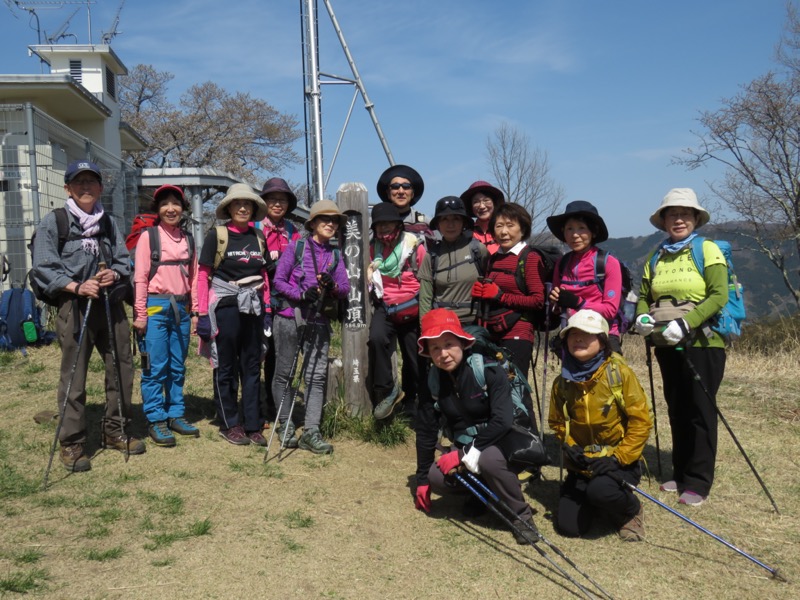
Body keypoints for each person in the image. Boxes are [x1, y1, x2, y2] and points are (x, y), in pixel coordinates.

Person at [31, 159, 145, 472]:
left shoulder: (107, 222)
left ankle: (115, 431)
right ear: (68, 187)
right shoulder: (54, 221)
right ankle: (72, 442)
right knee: (74, 376)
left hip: (111, 304)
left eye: (91, 182)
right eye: (78, 182)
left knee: (122, 368)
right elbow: (43, 265)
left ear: (100, 187)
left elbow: (123, 260)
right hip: (75, 305)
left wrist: (115, 275)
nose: (85, 187)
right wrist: (76, 287)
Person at [633, 188, 728, 506]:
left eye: (685, 214)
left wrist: (687, 323)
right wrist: (642, 316)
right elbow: (645, 293)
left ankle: (699, 481)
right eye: (672, 214)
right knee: (677, 406)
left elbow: (719, 295)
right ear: (663, 221)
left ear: (695, 218)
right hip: (665, 341)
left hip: (703, 342)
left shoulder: (708, 250)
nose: (679, 219)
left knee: (700, 410)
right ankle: (680, 470)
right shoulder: (656, 255)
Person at [414, 308, 538, 543]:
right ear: (428, 353)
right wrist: (421, 480)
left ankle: (521, 516)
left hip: (504, 442)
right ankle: (483, 492)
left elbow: (503, 420)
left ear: (462, 342)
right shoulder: (432, 381)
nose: (444, 354)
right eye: (435, 348)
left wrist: (462, 454)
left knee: (488, 459)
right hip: (468, 446)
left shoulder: (488, 370)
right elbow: (426, 430)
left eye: (449, 344)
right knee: (435, 475)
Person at [549, 309, 652, 541]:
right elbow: (557, 422)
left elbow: (641, 422)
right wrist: (570, 446)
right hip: (583, 462)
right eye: (572, 334)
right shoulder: (562, 382)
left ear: (602, 340)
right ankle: (597, 500)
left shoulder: (620, 374)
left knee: (601, 491)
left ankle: (631, 510)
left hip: (618, 461)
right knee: (569, 527)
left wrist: (617, 458)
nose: (578, 339)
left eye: (587, 334)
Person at [271, 200, 349, 453]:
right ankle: (285, 424)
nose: (330, 224)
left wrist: (332, 286)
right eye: (324, 219)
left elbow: (345, 288)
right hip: (288, 316)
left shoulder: (335, 254)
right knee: (285, 373)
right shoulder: (296, 247)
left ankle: (311, 431)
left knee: (315, 377)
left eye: (334, 220)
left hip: (318, 320)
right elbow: (278, 281)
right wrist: (301, 295)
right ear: (313, 223)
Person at [196, 183, 271, 446]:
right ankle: (229, 423)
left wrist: (268, 310)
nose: (242, 207)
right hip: (225, 306)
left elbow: (264, 275)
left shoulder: (258, 237)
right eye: (237, 203)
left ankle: (253, 423)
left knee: (251, 366)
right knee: (225, 365)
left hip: (254, 308)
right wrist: (202, 314)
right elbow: (203, 274)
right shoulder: (217, 235)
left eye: (247, 204)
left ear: (253, 209)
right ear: (228, 207)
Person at [131, 184, 200, 447]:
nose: (170, 209)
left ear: (183, 209)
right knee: (154, 366)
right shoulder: (150, 237)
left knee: (177, 365)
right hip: (155, 308)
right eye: (164, 204)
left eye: (176, 204)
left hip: (181, 309)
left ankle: (175, 414)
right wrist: (140, 314)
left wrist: (195, 312)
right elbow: (140, 277)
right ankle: (156, 418)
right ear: (157, 209)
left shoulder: (188, 239)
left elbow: (193, 278)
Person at [470, 202, 545, 382]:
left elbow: (537, 301)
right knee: (496, 387)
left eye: (510, 225)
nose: (504, 232)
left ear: (523, 229)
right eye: (499, 226)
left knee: (516, 387)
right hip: (493, 331)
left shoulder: (530, 258)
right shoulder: (493, 258)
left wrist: (499, 295)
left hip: (518, 334)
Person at [368, 202, 426, 420]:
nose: (383, 229)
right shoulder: (373, 247)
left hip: (413, 305)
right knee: (376, 339)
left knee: (415, 356)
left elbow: (426, 277)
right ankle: (388, 391)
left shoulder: (414, 246)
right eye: (379, 225)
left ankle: (413, 400)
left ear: (399, 225)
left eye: (388, 223)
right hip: (386, 304)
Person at [546, 200, 624, 353]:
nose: (575, 235)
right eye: (569, 229)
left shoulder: (608, 263)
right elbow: (557, 308)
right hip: (572, 336)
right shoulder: (562, 263)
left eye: (582, 228)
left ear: (593, 232)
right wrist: (554, 302)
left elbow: (610, 310)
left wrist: (578, 303)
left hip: (603, 335)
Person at [256, 177, 302, 423]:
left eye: (282, 200)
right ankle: (255, 407)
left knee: (278, 355)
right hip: (258, 298)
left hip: (284, 301)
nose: (277, 204)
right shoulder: (254, 227)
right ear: (263, 202)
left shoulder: (293, 231)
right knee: (258, 352)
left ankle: (276, 408)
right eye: (272, 199)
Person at [418, 196, 488, 325]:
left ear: (463, 223)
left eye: (456, 219)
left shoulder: (478, 250)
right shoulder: (432, 256)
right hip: (442, 324)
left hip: (473, 322)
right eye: (444, 219)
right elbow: (425, 299)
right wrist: (426, 332)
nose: (450, 224)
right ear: (438, 224)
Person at [376, 164, 431, 239]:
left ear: (412, 194)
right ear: (388, 193)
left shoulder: (426, 223)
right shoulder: (375, 223)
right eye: (395, 186)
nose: (401, 191)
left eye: (406, 186)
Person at [460, 180, 505, 254]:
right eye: (476, 202)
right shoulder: (465, 234)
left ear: (494, 203)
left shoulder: (504, 230)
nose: (482, 206)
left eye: (486, 200)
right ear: (471, 206)